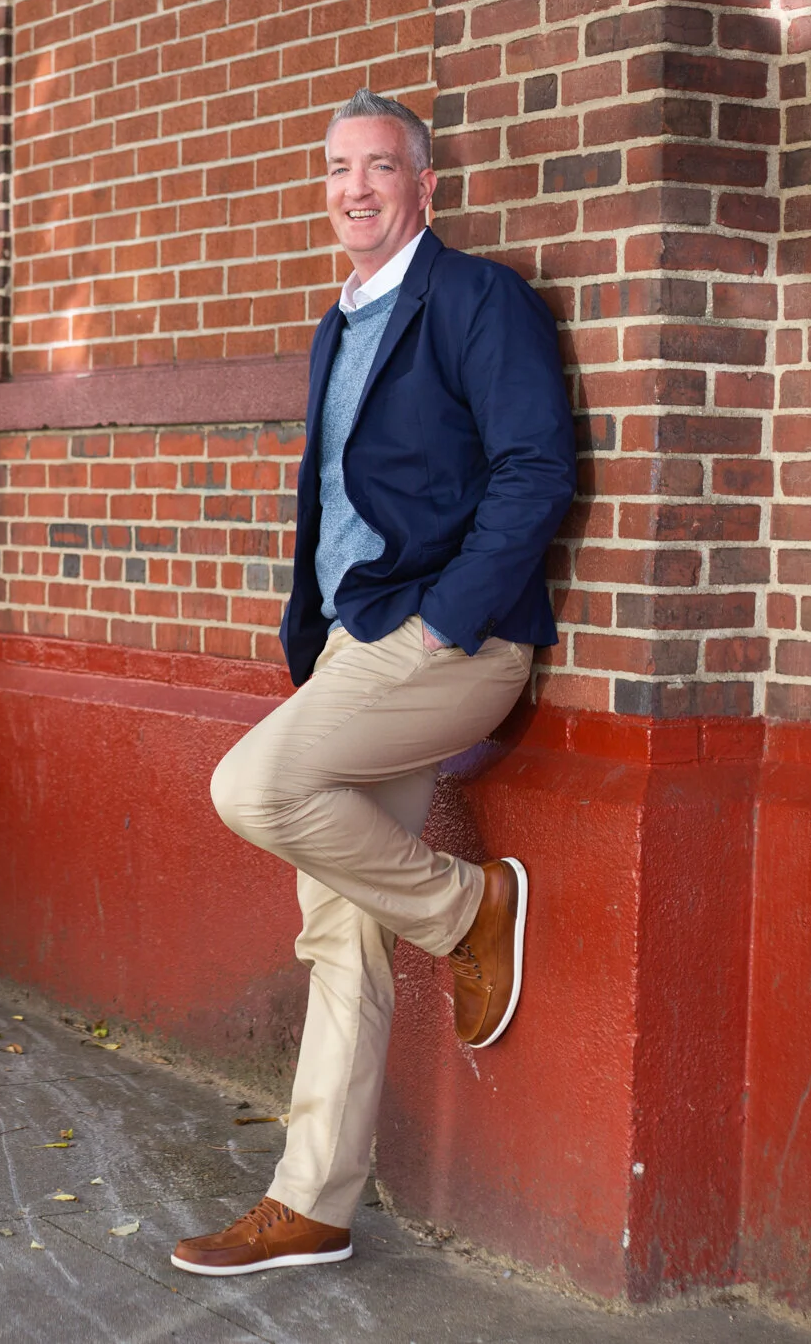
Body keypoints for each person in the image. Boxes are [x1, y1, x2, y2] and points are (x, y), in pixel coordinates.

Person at [170, 89, 578, 1278]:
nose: (354, 187)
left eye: (380, 168)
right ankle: (313, 1204)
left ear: (425, 186)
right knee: (335, 925)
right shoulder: (338, 320)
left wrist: (451, 619)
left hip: (454, 643)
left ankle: (468, 911)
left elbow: (532, 466)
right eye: (338, 168)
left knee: (252, 784)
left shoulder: (474, 297)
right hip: (355, 647)